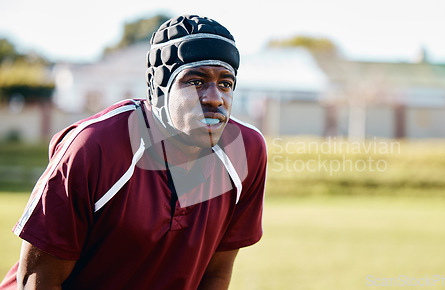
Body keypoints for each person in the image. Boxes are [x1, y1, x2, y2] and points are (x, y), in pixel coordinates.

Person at [0, 15, 267, 290]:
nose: (215, 97)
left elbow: (215, 275)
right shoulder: (94, 147)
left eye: (225, 83)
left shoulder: (246, 152)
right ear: (158, 86)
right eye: (196, 81)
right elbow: (35, 282)